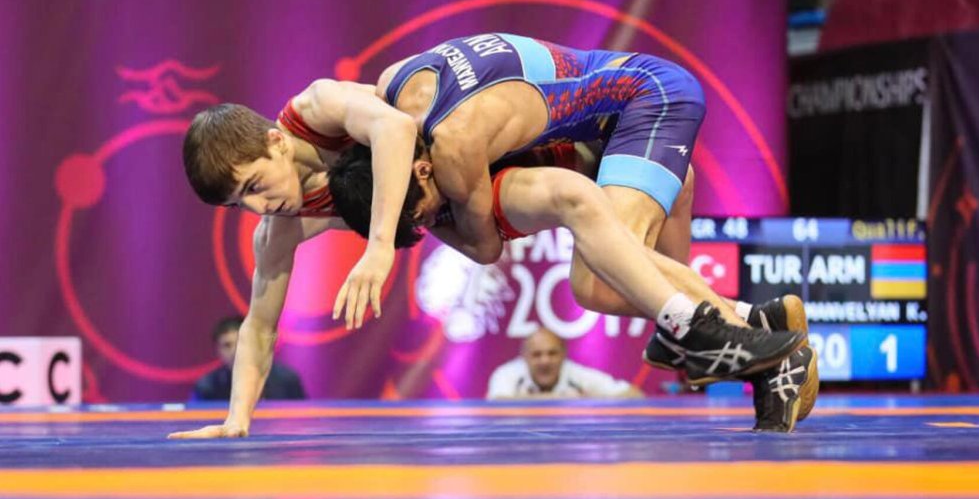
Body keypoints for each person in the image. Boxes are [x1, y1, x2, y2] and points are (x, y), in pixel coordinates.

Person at [333, 153, 815, 429]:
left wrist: (379, 246)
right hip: (649, 159)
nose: (421, 222)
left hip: (631, 157)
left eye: (413, 215)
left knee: (597, 282)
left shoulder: (453, 156)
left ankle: (760, 338)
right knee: (649, 292)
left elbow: (485, 247)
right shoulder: (458, 171)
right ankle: (754, 321)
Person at [487, 328, 644, 399]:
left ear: (564, 354)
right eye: (537, 354)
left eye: (552, 353)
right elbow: (498, 403)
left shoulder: (577, 375)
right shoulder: (507, 374)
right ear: (524, 357)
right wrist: (569, 401)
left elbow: (634, 395)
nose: (545, 361)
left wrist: (589, 403)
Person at [192, 316, 306, 401]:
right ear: (217, 350)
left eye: (240, 343)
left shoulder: (287, 379)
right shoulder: (207, 386)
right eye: (227, 345)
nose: (235, 351)